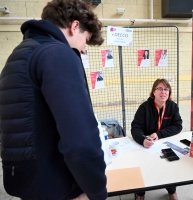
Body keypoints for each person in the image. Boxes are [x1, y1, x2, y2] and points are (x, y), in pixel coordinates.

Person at [0, 0, 107, 199]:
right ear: (75, 26)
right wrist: (97, 190)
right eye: (85, 39)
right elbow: (80, 140)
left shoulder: (20, 54)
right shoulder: (57, 53)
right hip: (56, 184)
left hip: (25, 179)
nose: (83, 50)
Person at [131, 78, 182, 200]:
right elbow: (135, 127)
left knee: (170, 165)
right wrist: (143, 140)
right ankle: (140, 193)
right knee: (142, 168)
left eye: (166, 89)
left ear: (169, 92)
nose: (163, 92)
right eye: (159, 88)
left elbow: (178, 126)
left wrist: (160, 134)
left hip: (164, 143)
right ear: (153, 92)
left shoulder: (172, 107)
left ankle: (171, 190)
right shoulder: (144, 107)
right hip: (147, 144)